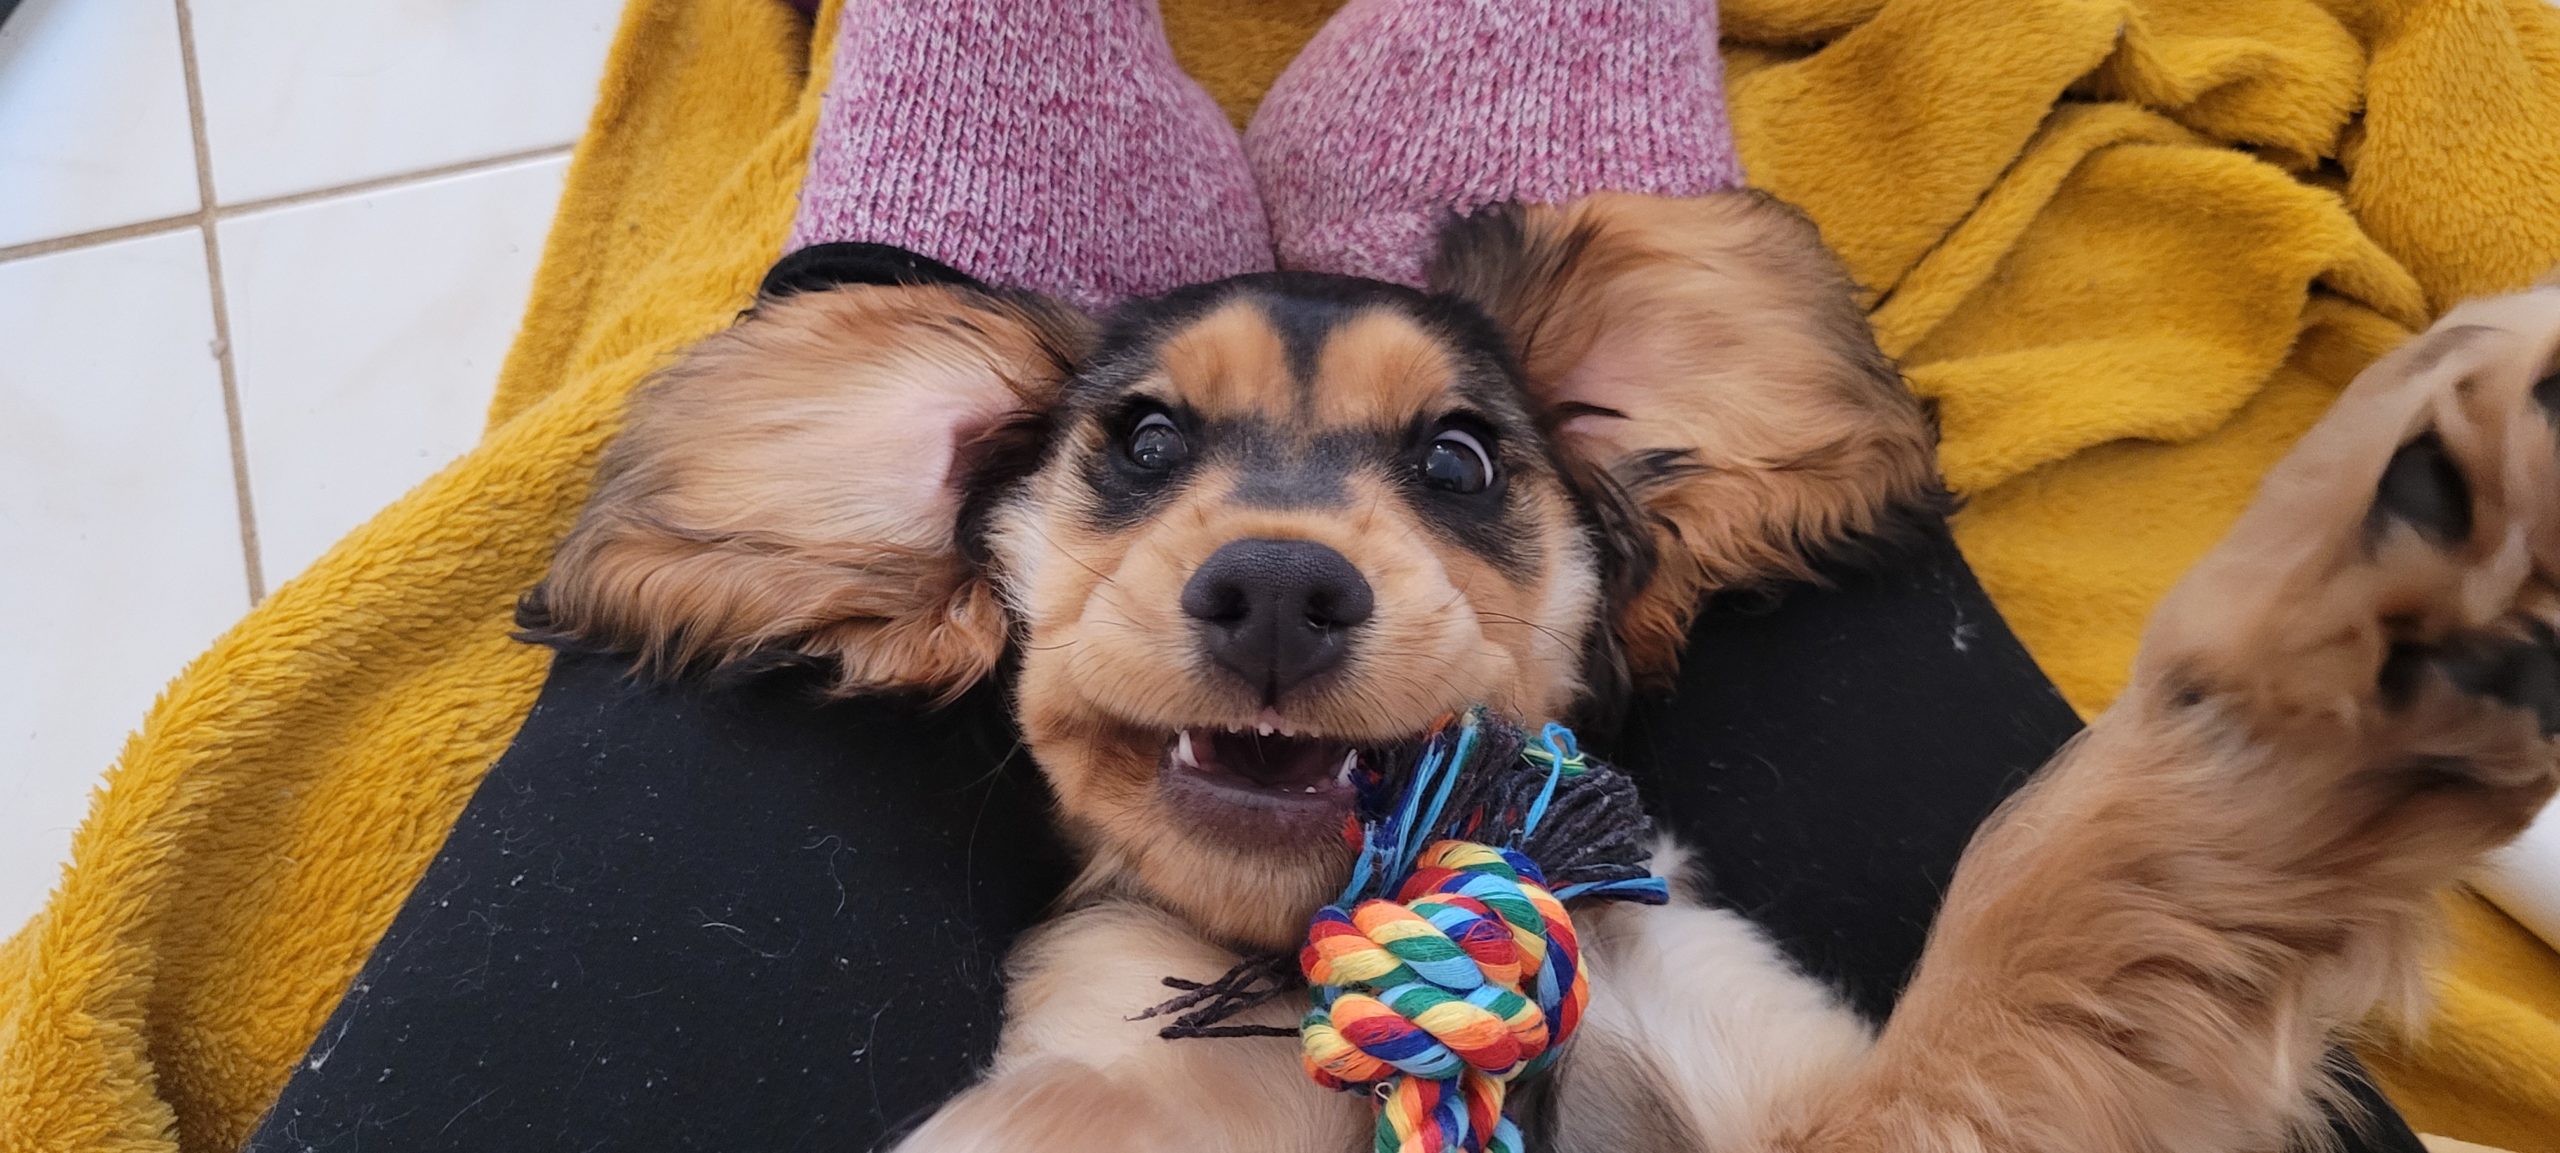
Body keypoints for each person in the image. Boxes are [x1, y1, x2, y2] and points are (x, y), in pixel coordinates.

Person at [244, 1, 2424, 1149]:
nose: (1278, 568)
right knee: (1842, 674)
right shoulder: (1613, 931)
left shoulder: (1593, 909)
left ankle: (941, 236)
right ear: (963, 519)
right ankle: (1487, 230)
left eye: (1453, 458)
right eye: (1155, 446)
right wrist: (2223, 801)